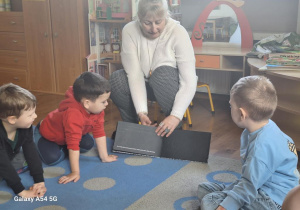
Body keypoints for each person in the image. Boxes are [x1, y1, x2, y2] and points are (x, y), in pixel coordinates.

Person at [197, 76, 299, 210]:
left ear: (241, 114)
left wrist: (224, 207)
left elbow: (249, 185)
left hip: (273, 201)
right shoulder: (266, 127)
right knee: (203, 188)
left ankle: (230, 198)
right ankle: (231, 196)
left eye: (230, 105)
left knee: (209, 200)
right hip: (265, 186)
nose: (229, 107)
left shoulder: (261, 147)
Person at [109, 0, 197, 137]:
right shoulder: (129, 30)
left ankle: (173, 129)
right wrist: (141, 112)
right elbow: (134, 74)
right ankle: (132, 129)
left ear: (166, 16)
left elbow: (189, 81)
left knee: (162, 74)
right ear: (139, 17)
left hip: (167, 85)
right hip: (141, 83)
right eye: (147, 23)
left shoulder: (178, 32)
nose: (154, 28)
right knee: (117, 79)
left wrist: (176, 116)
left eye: (158, 22)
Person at [36, 72, 118, 184]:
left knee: (89, 144)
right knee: (52, 159)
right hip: (49, 134)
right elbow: (74, 144)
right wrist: (75, 172)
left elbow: (99, 132)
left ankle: (66, 148)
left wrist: (105, 157)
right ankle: (37, 134)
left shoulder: (98, 110)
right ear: (87, 103)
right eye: (103, 101)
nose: (107, 104)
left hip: (70, 134)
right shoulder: (73, 115)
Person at [0, 83, 47, 198]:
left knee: (23, 158)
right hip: (3, 159)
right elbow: (3, 164)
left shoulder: (26, 126)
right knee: (5, 168)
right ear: (12, 119)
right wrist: (21, 191)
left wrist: (39, 181)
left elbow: (31, 151)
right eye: (30, 115)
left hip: (7, 155)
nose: (35, 116)